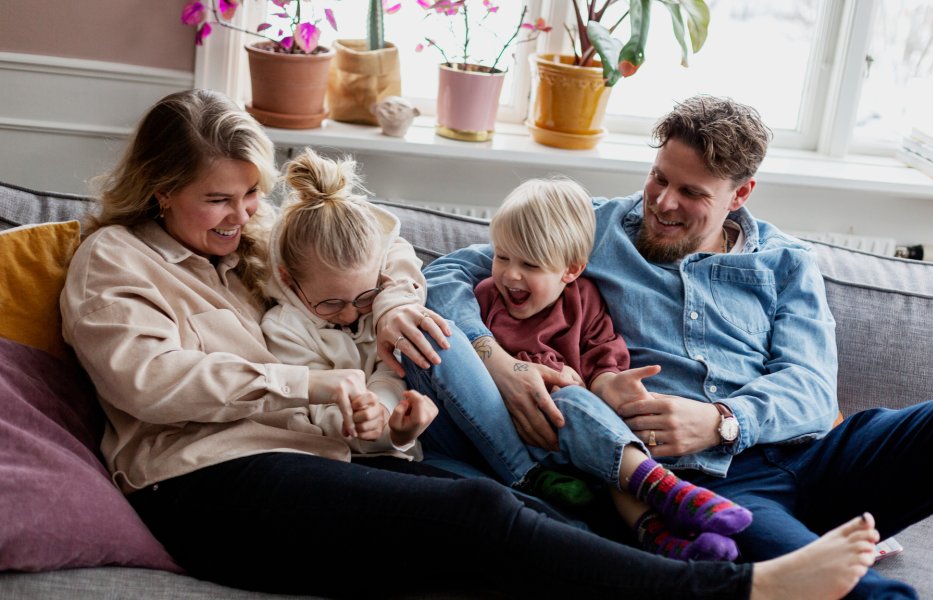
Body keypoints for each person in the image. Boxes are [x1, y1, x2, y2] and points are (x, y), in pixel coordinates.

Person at [58, 88, 881, 599]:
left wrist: (387, 323)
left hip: (321, 463)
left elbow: (392, 253)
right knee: (485, 510)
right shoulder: (114, 260)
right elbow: (149, 382)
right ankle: (738, 592)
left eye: (251, 195)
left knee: (532, 511)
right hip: (205, 488)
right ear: (162, 192)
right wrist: (313, 391)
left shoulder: (263, 243)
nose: (243, 217)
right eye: (218, 200)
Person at [414, 95, 933, 598]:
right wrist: (498, 360)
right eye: (659, 177)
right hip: (714, 486)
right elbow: (449, 274)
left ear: (740, 193)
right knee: (850, 591)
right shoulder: (591, 228)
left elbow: (814, 390)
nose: (663, 203)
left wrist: (722, 420)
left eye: (690, 192)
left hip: (814, 454)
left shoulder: (786, 262)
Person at [420, 176, 752, 560]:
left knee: (586, 412)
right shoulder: (484, 297)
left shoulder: (586, 301)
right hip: (506, 434)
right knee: (574, 403)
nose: (510, 274)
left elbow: (602, 354)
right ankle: (666, 495)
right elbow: (440, 289)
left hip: (573, 438)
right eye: (501, 256)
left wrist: (608, 384)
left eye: (529, 264)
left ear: (571, 270)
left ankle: (661, 527)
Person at [260, 148, 436, 460]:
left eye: (363, 297)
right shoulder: (284, 329)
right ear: (288, 279)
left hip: (400, 447)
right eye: (330, 303)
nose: (351, 313)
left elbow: (390, 369)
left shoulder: (382, 294)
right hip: (346, 459)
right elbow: (316, 410)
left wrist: (382, 410)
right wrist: (366, 423)